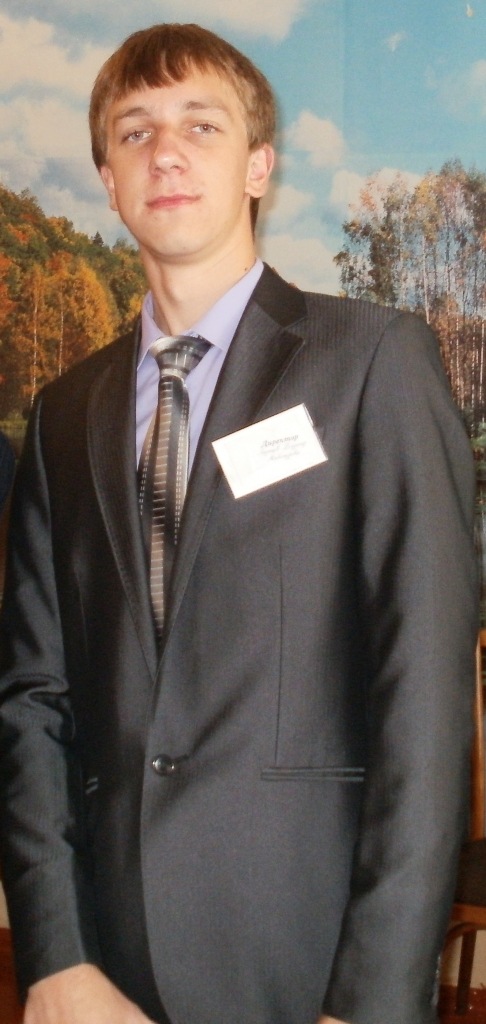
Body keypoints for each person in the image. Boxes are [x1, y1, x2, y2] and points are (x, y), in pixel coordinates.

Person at [0, 22, 478, 1024]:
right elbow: (32, 700)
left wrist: (374, 999)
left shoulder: (373, 362)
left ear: (259, 165)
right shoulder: (63, 415)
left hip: (309, 958)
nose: (165, 152)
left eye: (201, 125)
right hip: (107, 972)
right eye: (135, 131)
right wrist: (55, 956)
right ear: (108, 179)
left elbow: (424, 697)